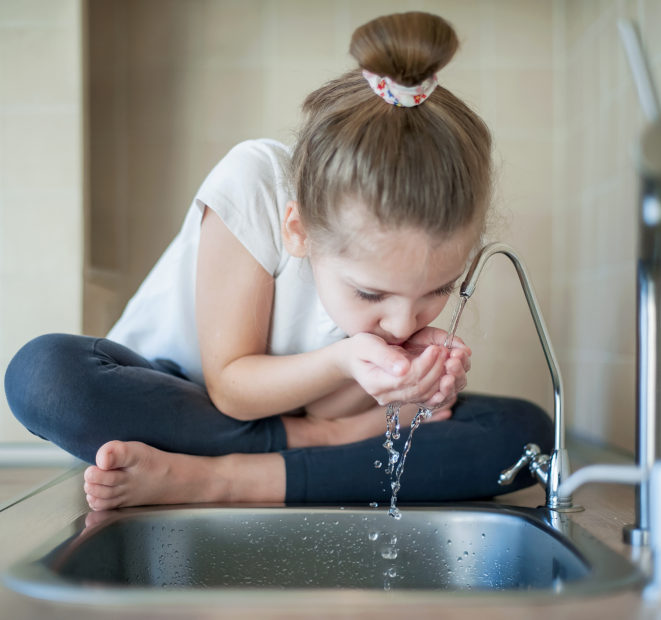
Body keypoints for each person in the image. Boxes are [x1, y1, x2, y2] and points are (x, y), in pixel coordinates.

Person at [4, 12, 552, 511]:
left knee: (524, 434)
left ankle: (213, 480)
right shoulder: (255, 184)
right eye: (370, 294)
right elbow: (233, 390)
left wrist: (400, 385)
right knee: (44, 377)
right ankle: (293, 462)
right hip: (178, 400)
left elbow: (323, 408)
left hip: (262, 430)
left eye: (439, 289)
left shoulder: (395, 315)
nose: (405, 321)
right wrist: (339, 396)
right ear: (299, 230)